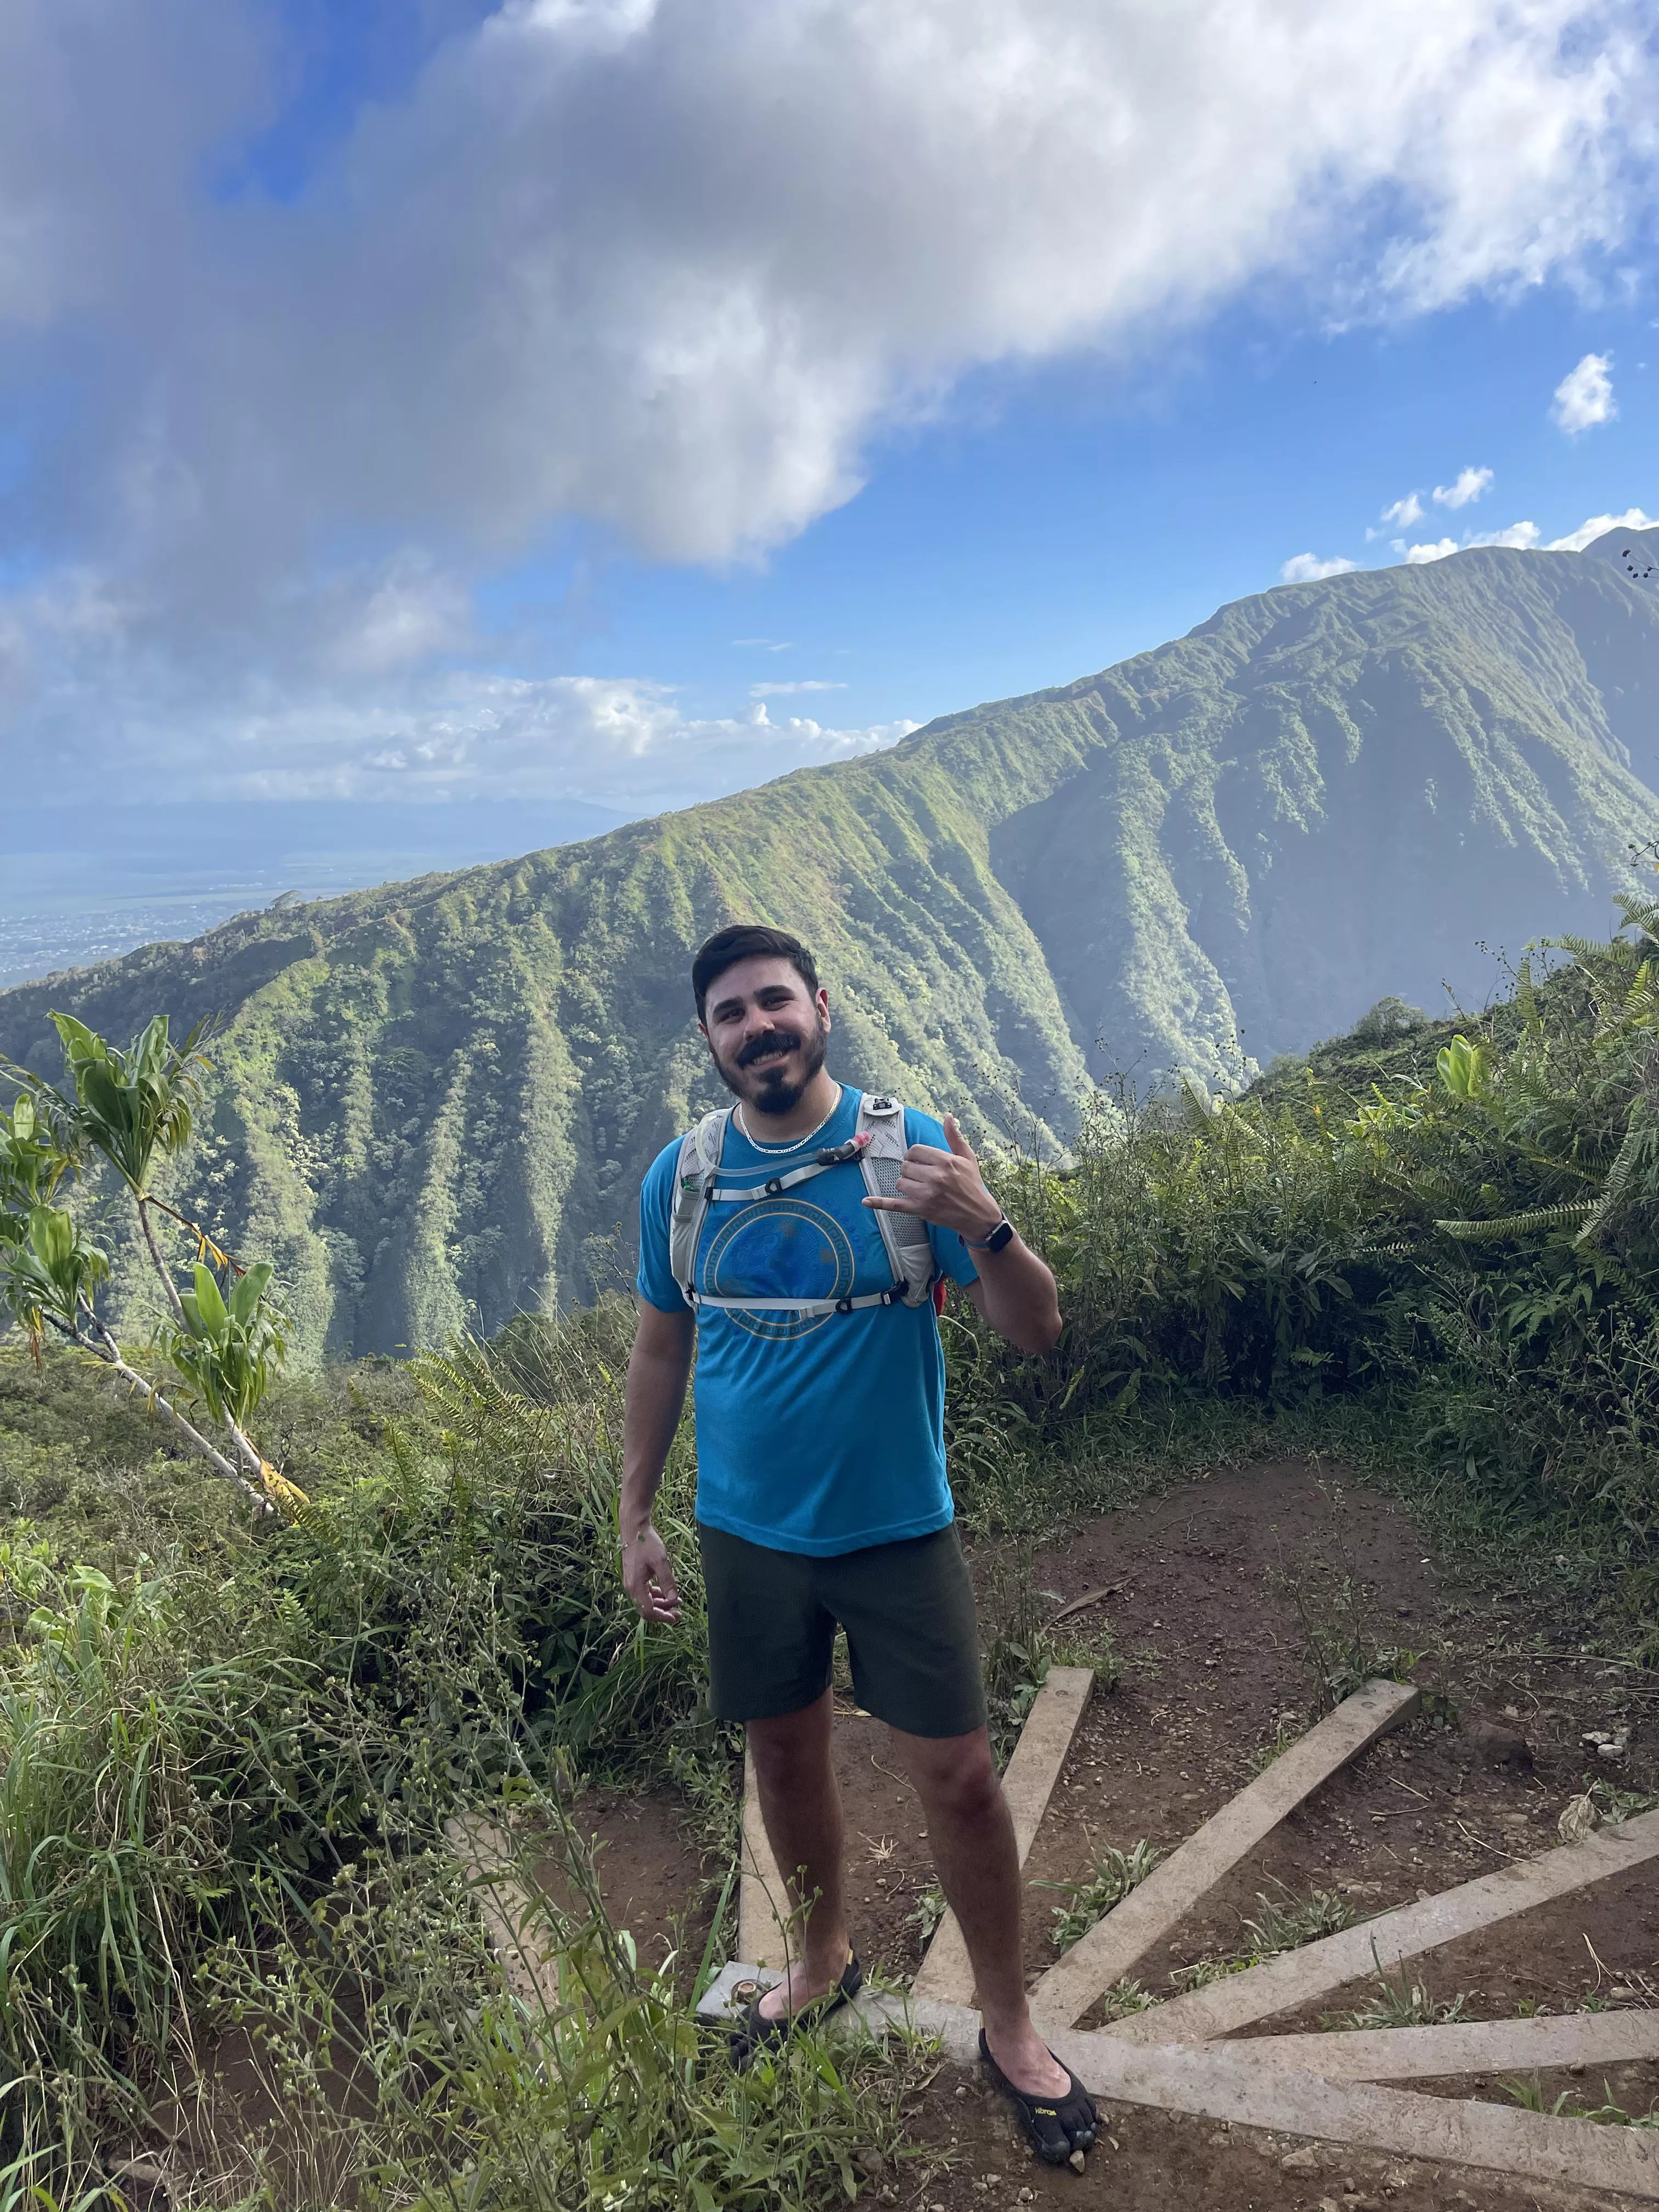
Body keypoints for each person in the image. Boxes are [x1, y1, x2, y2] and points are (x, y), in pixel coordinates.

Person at [620, 922, 1098, 2165]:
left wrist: (988, 1226)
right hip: (744, 1535)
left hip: (896, 1529)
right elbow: (661, 1348)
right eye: (732, 1013)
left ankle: (1009, 2024)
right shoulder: (683, 1177)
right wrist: (635, 1516)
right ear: (711, 1041)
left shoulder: (911, 1150)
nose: (759, 1026)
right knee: (781, 1759)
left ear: (821, 1007)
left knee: (960, 1780)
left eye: (775, 1001)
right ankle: (820, 1962)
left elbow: (1039, 1333)